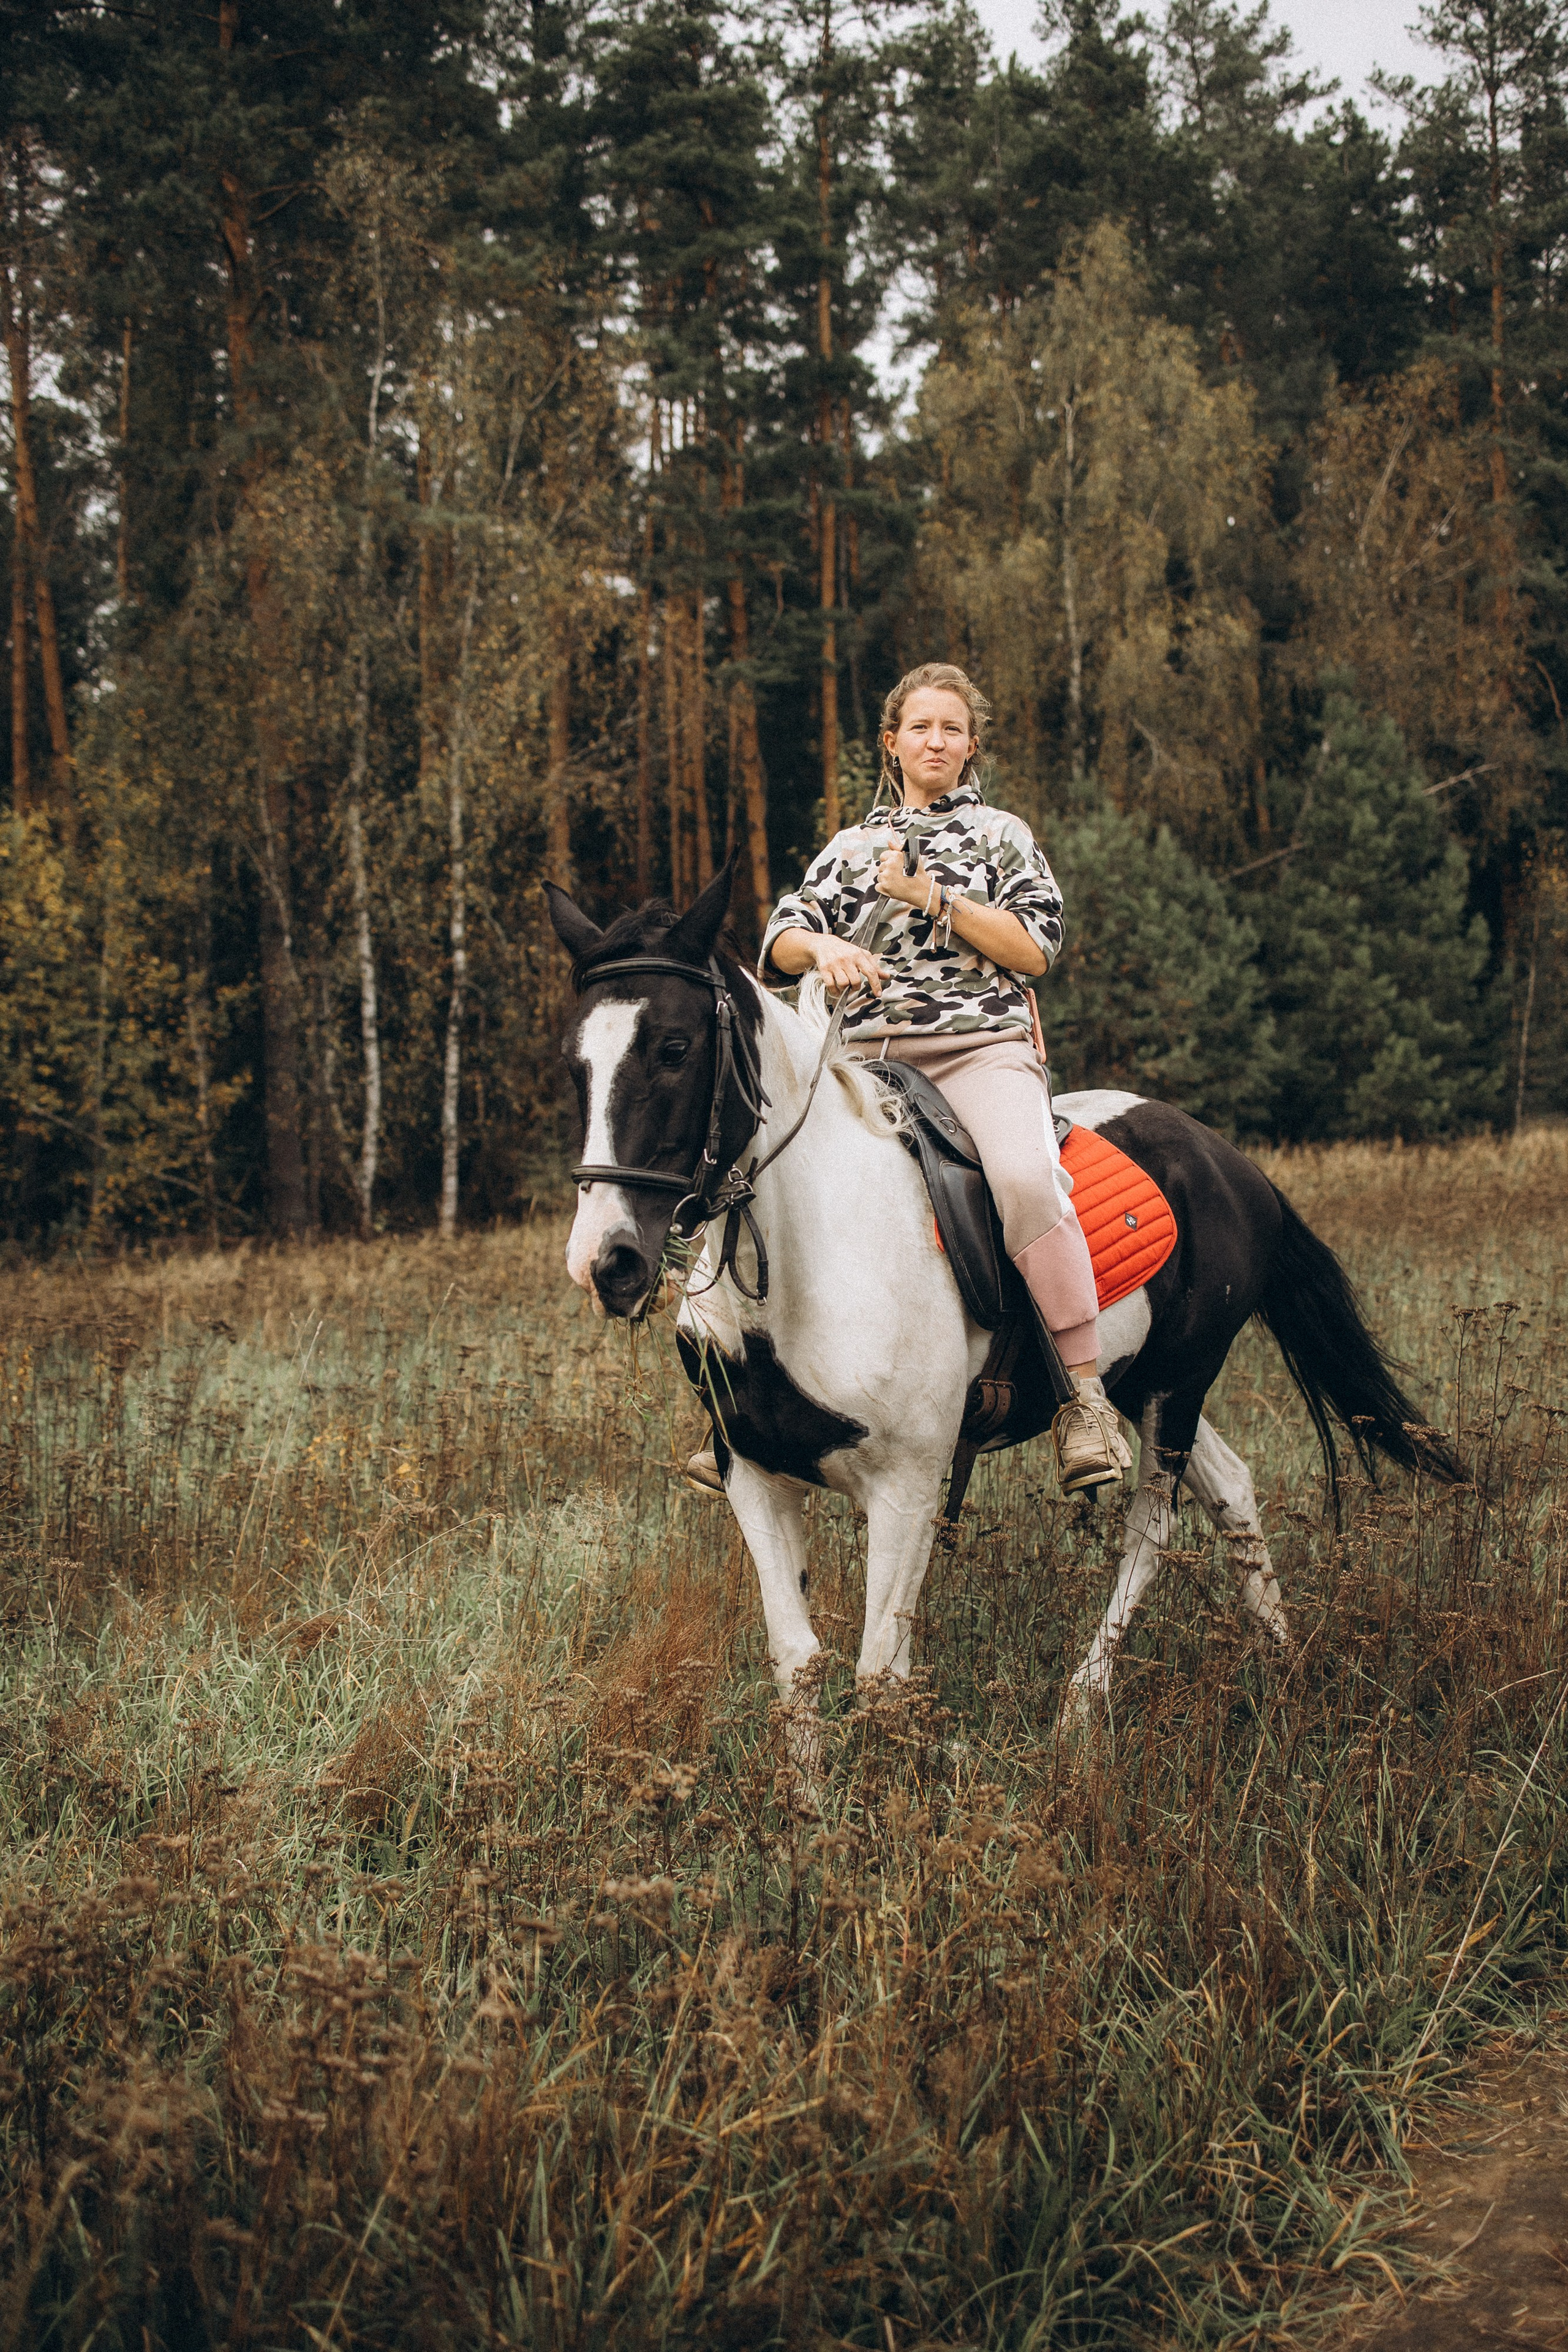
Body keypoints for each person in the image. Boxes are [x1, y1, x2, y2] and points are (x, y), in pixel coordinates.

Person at [693, 658, 1129, 1498]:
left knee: (1027, 1180)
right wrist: (823, 948)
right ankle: (733, 1403)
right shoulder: (848, 847)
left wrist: (935, 898)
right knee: (751, 1180)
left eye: (953, 729)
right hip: (863, 1062)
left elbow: (1036, 950)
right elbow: (779, 943)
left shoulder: (1004, 836)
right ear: (891, 743)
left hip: (979, 1052)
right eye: (921, 726)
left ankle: (1086, 1399)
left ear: (972, 747)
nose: (937, 740)